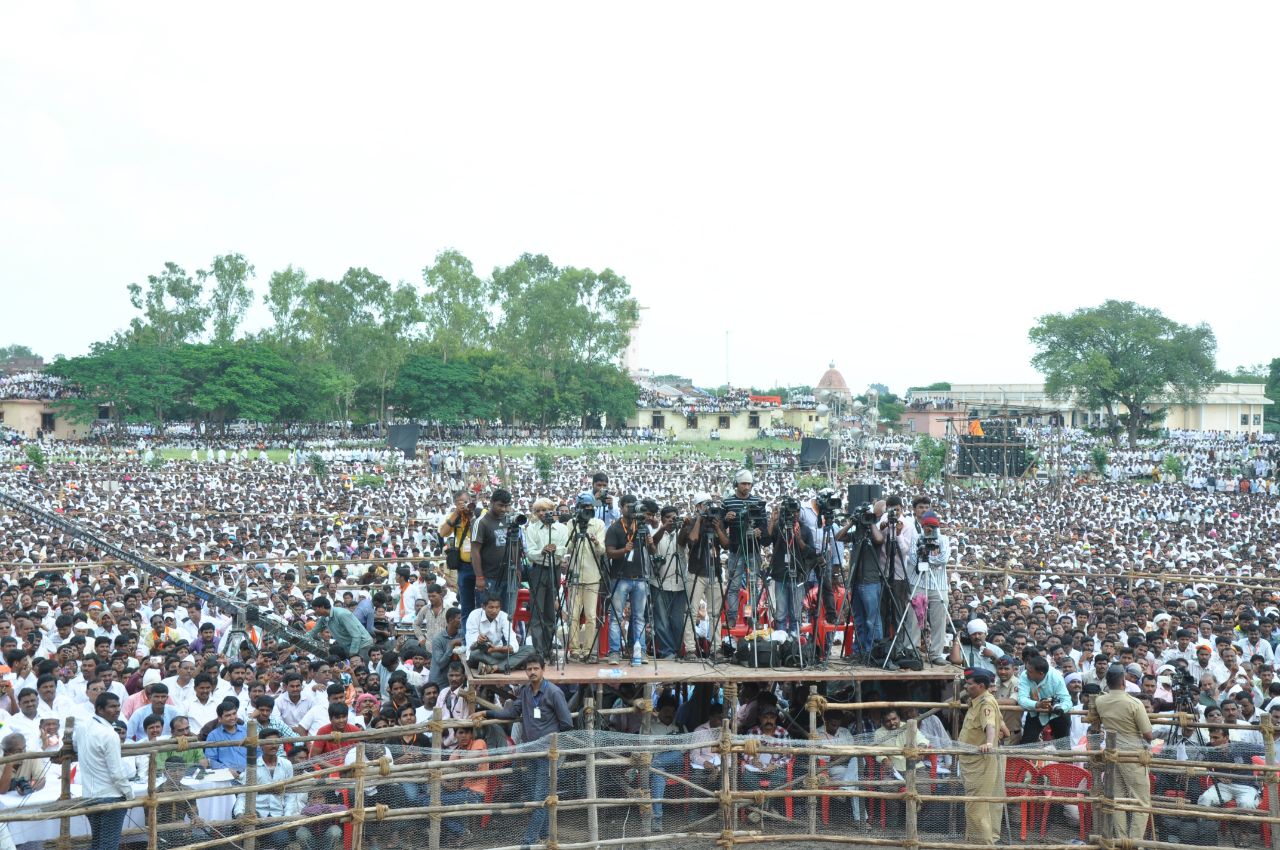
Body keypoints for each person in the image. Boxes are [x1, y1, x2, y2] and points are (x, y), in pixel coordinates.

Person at [474, 655, 572, 847]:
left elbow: (567, 723)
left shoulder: (554, 692)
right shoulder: (526, 692)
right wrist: (486, 712)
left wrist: (553, 743)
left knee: (540, 798)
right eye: (529, 669)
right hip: (530, 753)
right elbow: (511, 713)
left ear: (543, 670)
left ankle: (528, 841)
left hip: (546, 755)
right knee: (534, 795)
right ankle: (544, 835)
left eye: (536, 668)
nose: (532, 672)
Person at [1093, 664, 1153, 840]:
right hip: (1133, 754)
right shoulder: (1134, 703)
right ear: (1123, 681)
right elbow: (1148, 734)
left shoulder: (1100, 701)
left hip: (1112, 752)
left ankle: (1120, 840)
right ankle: (1134, 843)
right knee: (1142, 801)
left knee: (1117, 799)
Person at [72, 692, 135, 850]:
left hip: (90, 796)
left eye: (118, 706)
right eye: (112, 706)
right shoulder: (109, 735)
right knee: (108, 846)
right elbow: (117, 773)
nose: (117, 710)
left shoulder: (82, 728)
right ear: (100, 709)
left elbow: (74, 747)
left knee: (98, 843)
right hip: (111, 797)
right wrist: (129, 794)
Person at [231, 729, 303, 848]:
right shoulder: (253, 767)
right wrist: (239, 813)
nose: (274, 746)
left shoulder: (286, 765)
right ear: (261, 745)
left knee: (281, 841)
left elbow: (290, 794)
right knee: (250, 839)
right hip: (256, 814)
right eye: (269, 742)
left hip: (277, 815)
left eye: (276, 742)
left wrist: (286, 817)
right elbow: (243, 794)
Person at [603, 495, 654, 666]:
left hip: (640, 577)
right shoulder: (615, 528)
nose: (631, 510)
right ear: (621, 507)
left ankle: (640, 651)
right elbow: (609, 552)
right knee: (617, 617)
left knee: (639, 617)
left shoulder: (642, 527)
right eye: (627, 506)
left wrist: (650, 542)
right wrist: (624, 550)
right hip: (620, 577)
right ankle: (615, 652)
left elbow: (652, 551)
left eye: (634, 506)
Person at [958, 668, 1001, 847]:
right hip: (973, 762)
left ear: (980, 686)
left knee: (976, 806)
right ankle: (981, 841)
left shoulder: (985, 703)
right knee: (984, 805)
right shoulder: (976, 700)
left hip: (980, 762)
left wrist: (989, 743)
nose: (967, 687)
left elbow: (989, 724)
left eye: (969, 684)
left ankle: (982, 845)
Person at [721, 471, 768, 634]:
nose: (747, 487)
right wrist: (726, 518)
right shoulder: (728, 502)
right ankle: (732, 617)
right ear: (737, 484)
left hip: (753, 548)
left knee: (753, 585)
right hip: (735, 549)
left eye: (749, 484)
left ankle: (751, 617)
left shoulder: (757, 501)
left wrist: (759, 531)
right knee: (734, 585)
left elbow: (764, 524)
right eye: (744, 484)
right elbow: (720, 526)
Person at [680, 493, 725, 657]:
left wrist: (718, 527)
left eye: (710, 504)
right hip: (696, 572)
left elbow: (726, 544)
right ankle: (691, 649)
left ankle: (716, 648)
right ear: (698, 506)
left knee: (715, 613)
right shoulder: (691, 522)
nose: (708, 507)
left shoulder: (716, 522)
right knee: (690, 612)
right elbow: (692, 539)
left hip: (714, 572)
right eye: (704, 504)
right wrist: (698, 520)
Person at [564, 491, 607, 662]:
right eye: (584, 508)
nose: (587, 511)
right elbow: (567, 548)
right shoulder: (571, 523)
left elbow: (602, 551)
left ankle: (589, 650)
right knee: (573, 616)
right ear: (578, 508)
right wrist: (576, 534)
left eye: (590, 508)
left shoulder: (598, 524)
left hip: (592, 576)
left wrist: (595, 541)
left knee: (590, 615)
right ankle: (574, 649)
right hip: (574, 575)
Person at [522, 498, 569, 658]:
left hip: (554, 569)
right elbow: (530, 553)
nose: (542, 513)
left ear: (552, 510)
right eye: (538, 511)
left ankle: (549, 648)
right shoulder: (532, 529)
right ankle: (538, 650)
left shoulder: (561, 528)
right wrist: (542, 551)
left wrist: (554, 550)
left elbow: (564, 549)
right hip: (538, 570)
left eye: (545, 510)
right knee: (537, 611)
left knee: (550, 611)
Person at [905, 510, 951, 664]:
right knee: (914, 618)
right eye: (927, 526)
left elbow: (944, 558)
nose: (929, 529)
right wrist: (930, 557)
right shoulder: (917, 538)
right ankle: (912, 650)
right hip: (919, 583)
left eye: (933, 526)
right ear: (922, 526)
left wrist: (925, 558)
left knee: (939, 619)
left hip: (939, 584)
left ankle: (936, 654)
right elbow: (912, 558)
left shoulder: (943, 539)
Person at [649, 505, 687, 659]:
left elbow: (686, 541)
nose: (671, 520)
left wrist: (683, 525)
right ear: (662, 518)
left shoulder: (682, 533)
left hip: (679, 584)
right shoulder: (654, 531)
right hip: (659, 583)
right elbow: (651, 546)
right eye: (668, 517)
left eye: (674, 517)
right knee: (661, 621)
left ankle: (677, 651)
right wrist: (663, 528)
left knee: (678, 621)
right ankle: (667, 651)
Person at [471, 489, 519, 613]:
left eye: (507, 506)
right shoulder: (482, 522)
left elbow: (514, 546)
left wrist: (518, 569)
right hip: (489, 577)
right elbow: (475, 551)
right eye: (500, 505)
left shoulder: (510, 520)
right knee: (489, 614)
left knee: (509, 614)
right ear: (492, 503)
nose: (503, 509)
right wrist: (479, 577)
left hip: (509, 576)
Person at [441, 723, 488, 847]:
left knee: (434, 804)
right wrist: (441, 780)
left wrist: (458, 762)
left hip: (475, 794)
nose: (464, 736)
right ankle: (461, 833)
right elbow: (447, 775)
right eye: (461, 732)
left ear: (472, 734)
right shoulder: (456, 752)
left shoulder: (479, 742)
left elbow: (472, 756)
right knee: (431, 803)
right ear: (455, 735)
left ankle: (462, 833)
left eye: (467, 732)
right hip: (462, 792)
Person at [464, 592, 530, 673]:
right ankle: (510, 665)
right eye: (491, 607)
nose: (494, 611)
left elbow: (514, 645)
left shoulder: (504, 616)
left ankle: (494, 667)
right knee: (474, 654)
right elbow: (471, 646)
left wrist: (496, 649)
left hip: (497, 652)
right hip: (481, 654)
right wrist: (478, 641)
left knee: (530, 649)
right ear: (483, 607)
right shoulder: (474, 615)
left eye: (497, 607)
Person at [1017, 655, 1072, 745]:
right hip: (1035, 710)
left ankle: (1064, 758)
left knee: (1063, 746)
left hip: (1057, 713)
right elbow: (1021, 699)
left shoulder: (1056, 677)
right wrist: (1038, 704)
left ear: (1041, 674)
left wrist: (1059, 708)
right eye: (1027, 669)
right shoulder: (1025, 675)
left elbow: (1067, 700)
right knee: (1026, 744)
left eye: (1030, 671)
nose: (1026, 673)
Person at [306, 596, 373, 659]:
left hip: (363, 645)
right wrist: (301, 637)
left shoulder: (342, 614)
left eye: (315, 609)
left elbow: (356, 635)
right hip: (349, 647)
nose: (315, 612)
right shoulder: (324, 617)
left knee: (362, 668)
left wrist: (353, 653)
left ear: (322, 607)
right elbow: (314, 631)